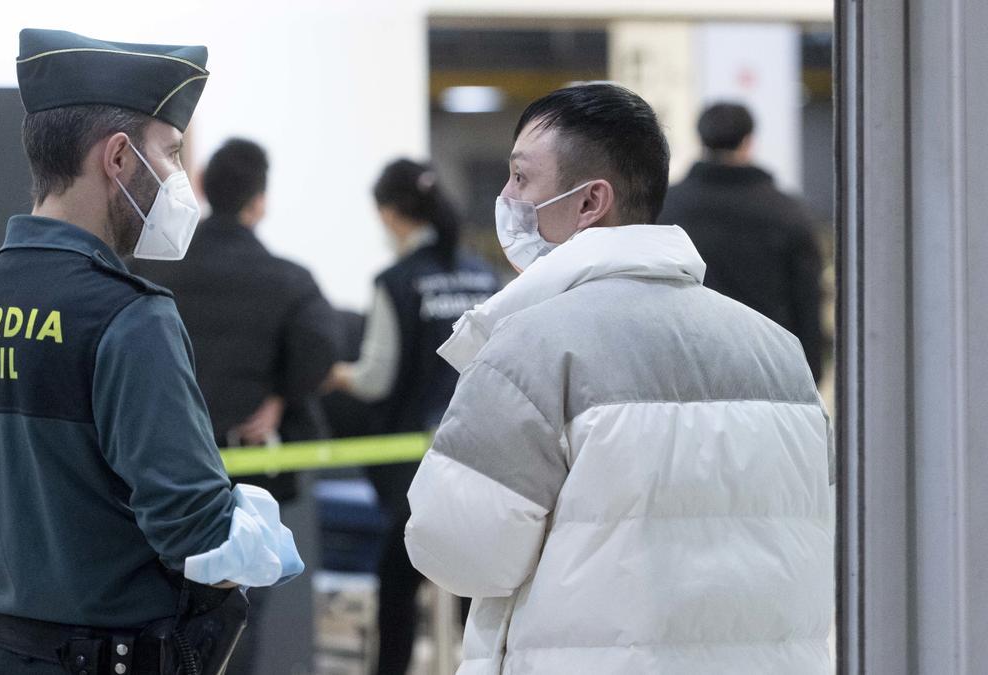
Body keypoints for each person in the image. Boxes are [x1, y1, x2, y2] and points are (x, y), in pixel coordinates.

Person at [404, 84, 833, 673]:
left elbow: (459, 549)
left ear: (591, 202)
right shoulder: (780, 354)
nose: (506, 197)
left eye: (521, 179)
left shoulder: (531, 346)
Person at [0, 29, 301, 675]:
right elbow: (198, 531)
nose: (179, 180)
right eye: (171, 153)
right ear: (119, 158)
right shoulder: (128, 316)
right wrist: (261, 539)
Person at [130, 137, 338, 674]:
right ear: (259, 201)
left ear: (200, 187)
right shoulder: (289, 281)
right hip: (251, 483)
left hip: (160, 474)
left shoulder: (154, 273)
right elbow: (321, 347)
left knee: (154, 618)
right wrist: (282, 397)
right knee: (237, 619)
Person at [324, 159, 499, 675]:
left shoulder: (396, 281)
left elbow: (376, 377)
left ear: (391, 214)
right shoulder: (482, 274)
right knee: (478, 591)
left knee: (398, 585)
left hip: (416, 467)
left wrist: (337, 376)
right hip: (483, 457)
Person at [658, 102, 825, 382]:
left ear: (700, 139)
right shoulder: (787, 212)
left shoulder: (665, 208)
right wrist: (811, 375)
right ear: (748, 141)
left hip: (682, 370)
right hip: (767, 372)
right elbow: (806, 302)